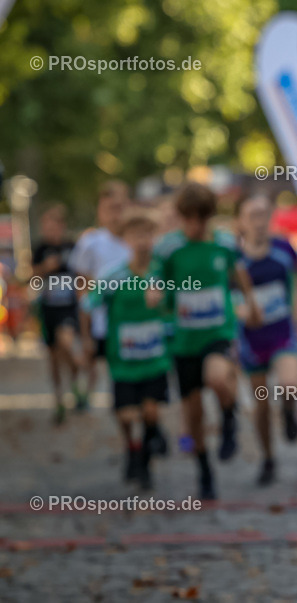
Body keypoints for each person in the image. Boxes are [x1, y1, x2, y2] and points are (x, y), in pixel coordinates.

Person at [153, 182, 262, 500]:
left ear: (210, 217)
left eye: (201, 219)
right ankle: (204, 469)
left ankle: (229, 417)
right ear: (181, 217)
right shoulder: (169, 248)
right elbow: (157, 279)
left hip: (218, 332)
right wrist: (155, 293)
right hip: (184, 340)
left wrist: (251, 304)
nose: (195, 226)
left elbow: (239, 273)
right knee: (194, 412)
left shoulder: (224, 244)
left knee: (217, 377)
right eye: (189, 219)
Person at [81, 209, 170, 490]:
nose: (142, 241)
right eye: (136, 235)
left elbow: (178, 307)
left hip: (155, 357)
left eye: (147, 234)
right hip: (123, 358)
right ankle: (132, 447)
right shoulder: (113, 276)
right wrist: (86, 339)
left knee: (151, 412)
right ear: (126, 240)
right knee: (126, 414)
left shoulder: (163, 272)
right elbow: (87, 305)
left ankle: (144, 457)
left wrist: (164, 300)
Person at [234, 193, 297, 486]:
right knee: (261, 403)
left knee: (290, 384)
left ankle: (290, 412)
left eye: (264, 215)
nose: (259, 222)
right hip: (252, 339)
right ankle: (268, 457)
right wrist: (244, 313)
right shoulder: (233, 258)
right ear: (241, 221)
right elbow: (229, 298)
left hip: (282, 332)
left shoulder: (283, 249)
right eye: (252, 216)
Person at [68, 180, 132, 410]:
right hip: (102, 324)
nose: (116, 214)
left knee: (130, 380)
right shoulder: (90, 243)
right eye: (110, 208)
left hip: (134, 323)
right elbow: (82, 289)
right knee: (93, 366)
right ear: (100, 211)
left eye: (120, 207)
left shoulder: (140, 241)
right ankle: (81, 393)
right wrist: (85, 333)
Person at [32, 203, 85, 424]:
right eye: (47, 227)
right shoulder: (40, 249)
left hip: (68, 308)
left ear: (62, 227)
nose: (51, 231)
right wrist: (45, 267)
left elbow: (83, 274)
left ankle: (75, 381)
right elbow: (31, 277)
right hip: (48, 310)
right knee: (53, 357)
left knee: (67, 344)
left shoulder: (72, 247)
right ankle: (59, 399)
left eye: (54, 227)